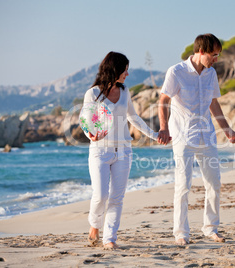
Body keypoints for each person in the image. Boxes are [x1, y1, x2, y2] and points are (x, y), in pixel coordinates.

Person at [158, 33, 235, 245]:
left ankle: (210, 228)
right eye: (214, 54)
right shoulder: (176, 72)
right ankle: (181, 233)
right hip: (183, 136)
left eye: (218, 55)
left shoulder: (211, 74)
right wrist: (164, 128)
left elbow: (213, 103)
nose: (216, 59)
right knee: (183, 185)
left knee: (214, 183)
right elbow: (163, 100)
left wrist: (227, 129)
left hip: (207, 136)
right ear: (200, 51)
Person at [84, 51, 158, 249]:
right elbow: (85, 120)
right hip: (100, 150)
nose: (127, 73)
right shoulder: (92, 94)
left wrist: (154, 135)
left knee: (117, 197)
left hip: (124, 151)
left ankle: (110, 238)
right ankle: (94, 224)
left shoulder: (125, 91)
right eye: (125, 69)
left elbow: (134, 118)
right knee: (100, 195)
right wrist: (90, 134)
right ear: (114, 69)